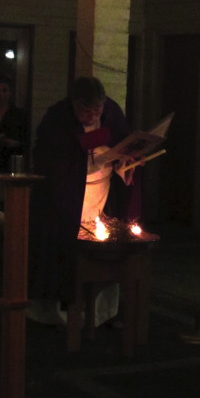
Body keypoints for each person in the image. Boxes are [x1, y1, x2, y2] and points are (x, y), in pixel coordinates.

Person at [27, 76, 141, 327]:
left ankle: (101, 313)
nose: (91, 116)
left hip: (102, 194)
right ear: (74, 103)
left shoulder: (112, 112)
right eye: (84, 111)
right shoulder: (57, 116)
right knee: (63, 252)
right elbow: (48, 156)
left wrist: (127, 160)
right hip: (66, 197)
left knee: (102, 252)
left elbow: (124, 144)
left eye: (96, 110)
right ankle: (59, 315)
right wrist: (81, 147)